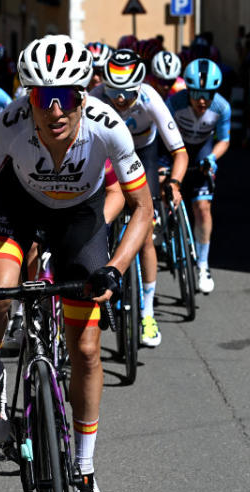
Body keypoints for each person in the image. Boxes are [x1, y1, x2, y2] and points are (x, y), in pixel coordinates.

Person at [0, 35, 152, 492]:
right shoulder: (9, 123)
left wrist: (114, 268)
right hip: (16, 205)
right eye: (43, 97)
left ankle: (83, 469)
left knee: (85, 349)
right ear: (27, 97)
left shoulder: (108, 127)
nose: (55, 109)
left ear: (84, 95)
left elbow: (142, 208)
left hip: (78, 215)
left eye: (67, 97)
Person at [91, 48, 188, 347]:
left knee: (145, 235)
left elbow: (180, 153)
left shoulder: (150, 99)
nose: (119, 99)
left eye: (127, 93)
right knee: (97, 224)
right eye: (113, 91)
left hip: (142, 154)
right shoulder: (95, 97)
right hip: (108, 154)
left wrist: (173, 182)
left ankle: (147, 312)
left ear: (140, 87)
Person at [167, 58, 231, 294]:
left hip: (203, 152)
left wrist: (213, 157)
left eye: (208, 94)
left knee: (203, 209)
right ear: (188, 90)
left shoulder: (221, 107)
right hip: (176, 150)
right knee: (167, 192)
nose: (202, 100)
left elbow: (224, 140)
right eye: (196, 93)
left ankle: (203, 264)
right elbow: (161, 134)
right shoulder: (174, 103)